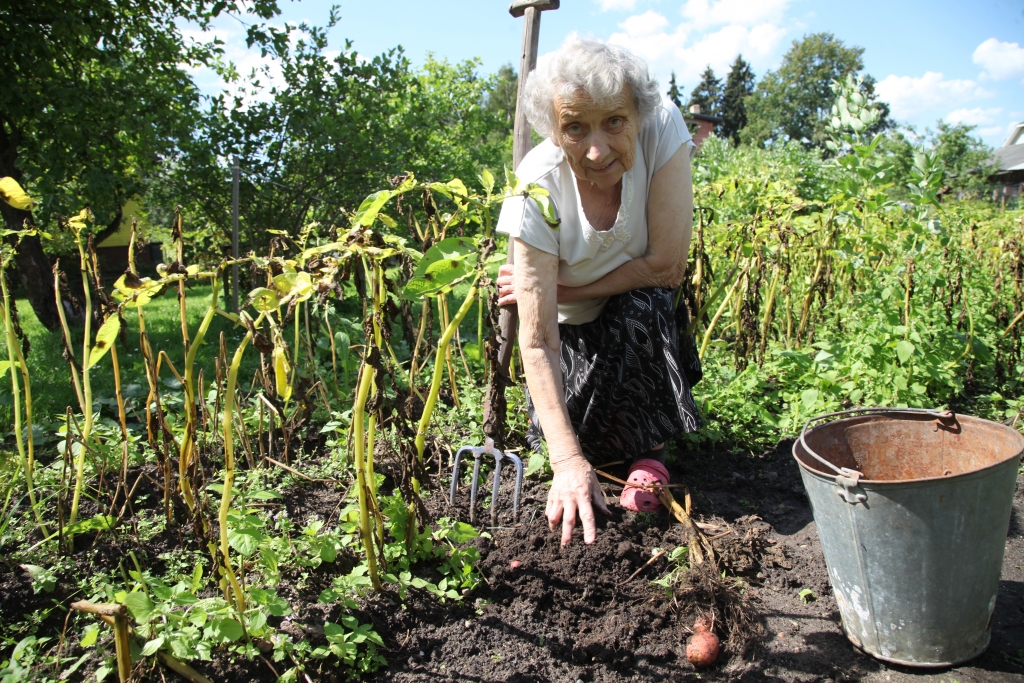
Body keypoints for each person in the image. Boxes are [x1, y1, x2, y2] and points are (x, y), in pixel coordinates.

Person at [495, 34, 702, 547]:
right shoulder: (535, 186)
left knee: (644, 300)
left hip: (637, 324)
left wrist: (560, 287)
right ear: (554, 131)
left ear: (637, 114)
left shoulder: (663, 130)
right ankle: (585, 449)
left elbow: (666, 268)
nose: (596, 148)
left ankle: (648, 452)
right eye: (574, 127)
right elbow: (538, 340)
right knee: (575, 442)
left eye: (614, 121)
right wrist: (567, 462)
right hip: (568, 339)